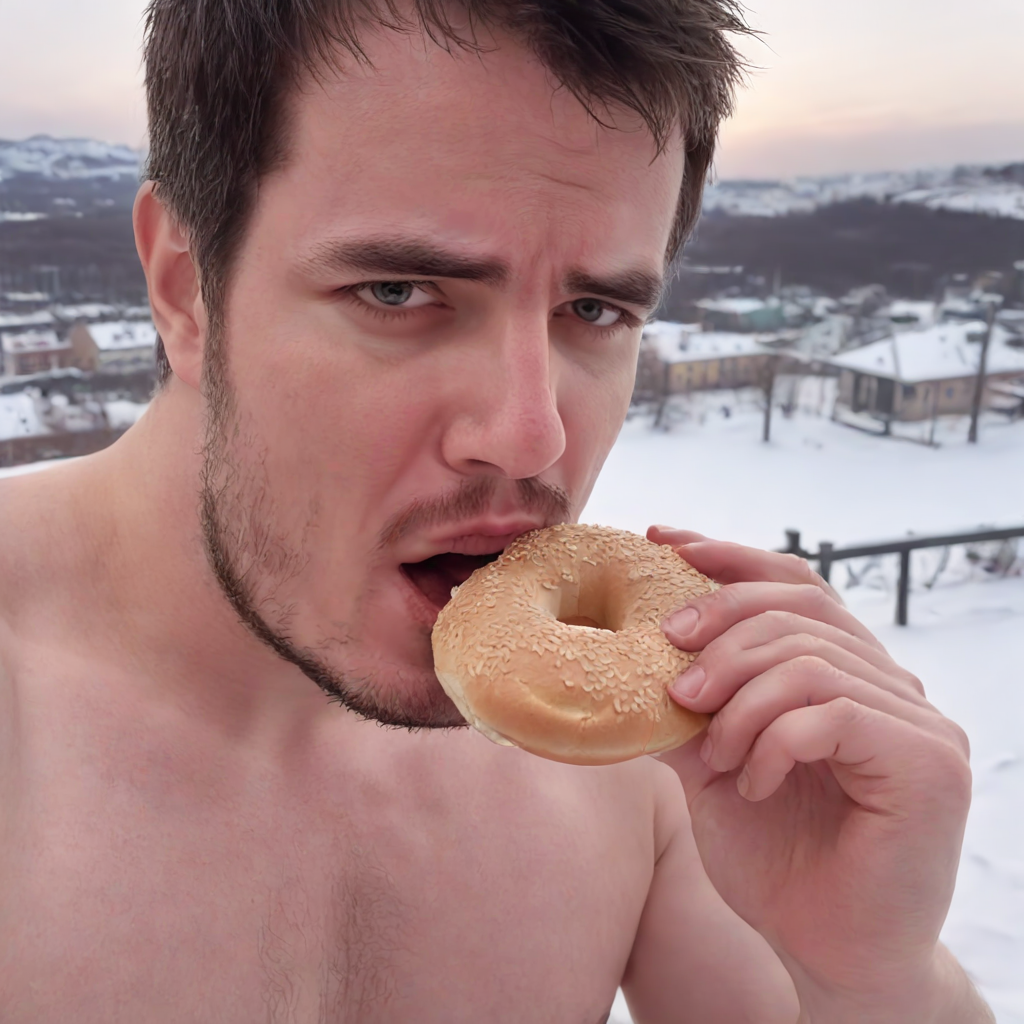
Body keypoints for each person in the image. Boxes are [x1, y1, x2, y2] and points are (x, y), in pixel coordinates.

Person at [0, 2, 993, 1021]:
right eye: (398, 292)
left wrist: (871, 980)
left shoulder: (643, 748)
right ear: (184, 288)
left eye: (594, 310)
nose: (530, 437)